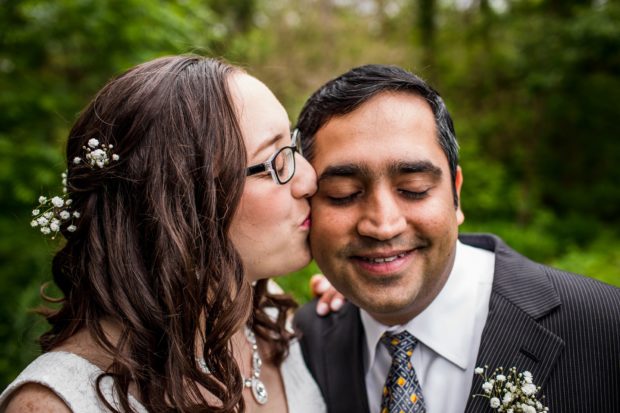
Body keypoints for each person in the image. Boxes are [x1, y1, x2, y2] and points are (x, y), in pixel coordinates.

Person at [0, 55, 327, 413]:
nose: (310, 179)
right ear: (180, 204)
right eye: (275, 163)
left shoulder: (268, 315)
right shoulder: (53, 405)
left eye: (293, 147)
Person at [293, 64, 620, 413]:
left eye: (413, 189)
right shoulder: (303, 339)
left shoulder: (604, 326)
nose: (383, 225)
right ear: (306, 205)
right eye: (343, 194)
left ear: (456, 195)